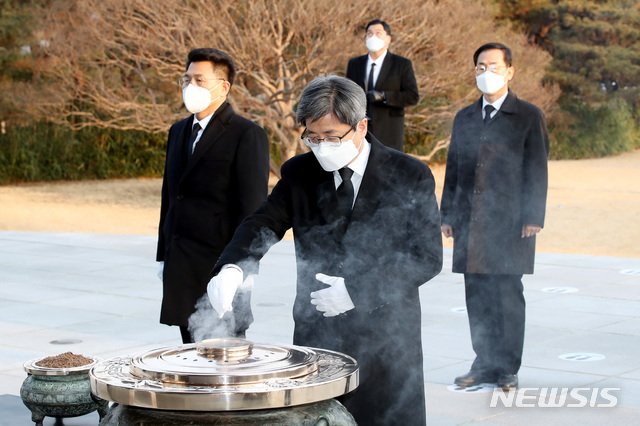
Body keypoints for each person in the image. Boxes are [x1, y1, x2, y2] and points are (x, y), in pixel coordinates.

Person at [206, 75, 442, 425]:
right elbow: (262, 223)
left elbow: (426, 257)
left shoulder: (409, 174)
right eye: (312, 138)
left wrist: (356, 291)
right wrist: (233, 268)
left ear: (361, 126)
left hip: (387, 337)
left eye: (332, 137)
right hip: (319, 336)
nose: (322, 147)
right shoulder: (301, 173)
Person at [440, 42, 550, 391]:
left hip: (510, 222)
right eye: (480, 67)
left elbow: (537, 169)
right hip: (470, 220)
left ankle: (507, 368)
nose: (486, 73)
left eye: (493, 66)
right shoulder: (465, 117)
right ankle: (483, 363)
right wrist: (447, 213)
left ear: (510, 71)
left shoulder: (529, 116)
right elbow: (454, 168)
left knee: (506, 295)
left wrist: (533, 215)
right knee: (477, 295)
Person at [156, 48, 270, 344]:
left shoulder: (247, 134)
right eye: (186, 79)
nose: (190, 87)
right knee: (190, 360)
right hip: (181, 264)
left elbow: (253, 210)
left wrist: (244, 266)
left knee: (226, 362)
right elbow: (170, 197)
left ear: (223, 87)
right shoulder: (178, 131)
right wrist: (162, 255)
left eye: (199, 80)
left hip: (221, 267)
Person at [346, 19, 419, 152]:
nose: (373, 37)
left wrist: (384, 96)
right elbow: (347, 95)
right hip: (359, 132)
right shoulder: (354, 64)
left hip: (389, 131)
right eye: (369, 33)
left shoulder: (402, 64)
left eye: (378, 33)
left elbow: (412, 96)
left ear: (388, 39)